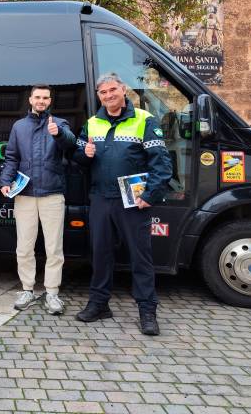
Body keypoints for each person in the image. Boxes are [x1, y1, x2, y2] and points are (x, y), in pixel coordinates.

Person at [73, 72, 172, 336]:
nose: (108, 96)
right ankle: (99, 304)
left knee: (141, 256)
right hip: (101, 198)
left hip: (133, 200)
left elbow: (161, 163)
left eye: (113, 90)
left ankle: (147, 311)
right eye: (103, 92)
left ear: (123, 89)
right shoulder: (92, 123)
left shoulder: (144, 120)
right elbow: (78, 161)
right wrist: (84, 154)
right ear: (99, 96)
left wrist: (149, 195)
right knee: (100, 254)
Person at [0, 84, 76, 314]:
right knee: (24, 247)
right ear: (30, 100)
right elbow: (11, 156)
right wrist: (5, 181)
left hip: (52, 194)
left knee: (54, 248)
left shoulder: (59, 123)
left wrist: (58, 134)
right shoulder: (19, 126)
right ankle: (27, 289)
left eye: (45, 97)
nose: (41, 101)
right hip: (25, 194)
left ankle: (52, 293)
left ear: (50, 100)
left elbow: (71, 145)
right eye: (37, 97)